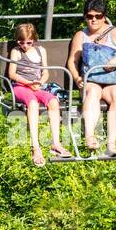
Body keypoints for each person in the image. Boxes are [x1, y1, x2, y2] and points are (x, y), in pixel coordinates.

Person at [68, 0, 116, 159]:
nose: (93, 20)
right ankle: (90, 137)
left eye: (98, 16)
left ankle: (111, 144)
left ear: (104, 16)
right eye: (89, 16)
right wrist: (76, 77)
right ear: (85, 16)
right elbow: (72, 61)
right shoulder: (81, 35)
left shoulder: (115, 32)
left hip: (111, 80)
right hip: (91, 79)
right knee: (93, 92)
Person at [7, 23, 72, 166]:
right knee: (32, 103)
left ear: (34, 40)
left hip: (37, 86)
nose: (25, 45)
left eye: (29, 42)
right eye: (21, 42)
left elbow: (46, 72)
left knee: (54, 101)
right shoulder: (16, 52)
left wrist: (40, 82)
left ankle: (56, 144)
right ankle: (35, 147)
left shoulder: (40, 51)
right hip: (20, 86)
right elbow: (12, 74)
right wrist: (28, 83)